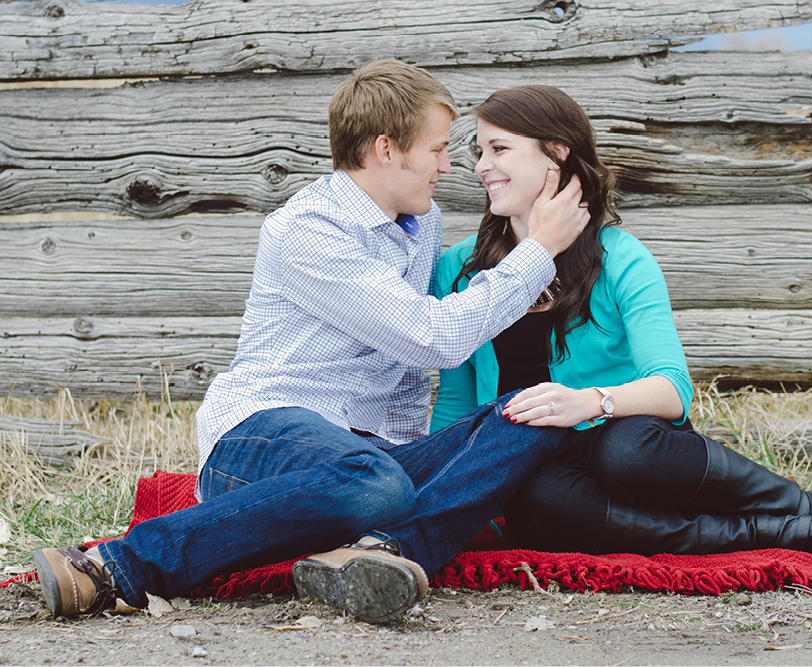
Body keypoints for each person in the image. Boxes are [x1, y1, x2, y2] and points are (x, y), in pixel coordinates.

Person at [31, 60, 592, 624]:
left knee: (534, 415)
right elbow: (433, 340)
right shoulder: (306, 231)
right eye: (438, 150)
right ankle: (113, 566)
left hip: (368, 455)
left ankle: (377, 554)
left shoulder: (420, 223)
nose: (449, 166)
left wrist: (410, 460)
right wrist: (537, 251)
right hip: (262, 433)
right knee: (375, 482)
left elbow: (402, 370)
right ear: (386, 150)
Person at [431, 85, 812, 562]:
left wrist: (586, 402)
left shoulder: (619, 258)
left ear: (556, 154)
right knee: (534, 493)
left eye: (499, 149)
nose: (480, 166)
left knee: (627, 452)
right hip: (542, 467)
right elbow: (455, 404)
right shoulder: (459, 269)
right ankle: (780, 535)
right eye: (479, 151)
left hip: (624, 444)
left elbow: (673, 389)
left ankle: (810, 510)